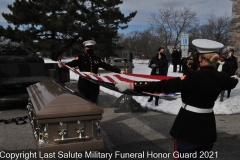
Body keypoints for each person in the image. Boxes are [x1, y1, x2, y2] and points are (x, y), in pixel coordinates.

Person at [115, 39, 239, 160]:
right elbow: (232, 82)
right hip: (208, 130)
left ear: (200, 58)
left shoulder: (191, 78)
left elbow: (162, 86)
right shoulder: (222, 78)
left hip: (188, 128)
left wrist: (132, 85)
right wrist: (234, 77)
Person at [58, 40, 124, 104]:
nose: (90, 48)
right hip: (84, 85)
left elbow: (107, 66)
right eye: (88, 47)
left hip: (94, 85)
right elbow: (72, 63)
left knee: (93, 103)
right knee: (83, 103)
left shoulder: (97, 58)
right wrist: (63, 65)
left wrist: (119, 71)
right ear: (85, 48)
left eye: (91, 47)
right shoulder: (80, 57)